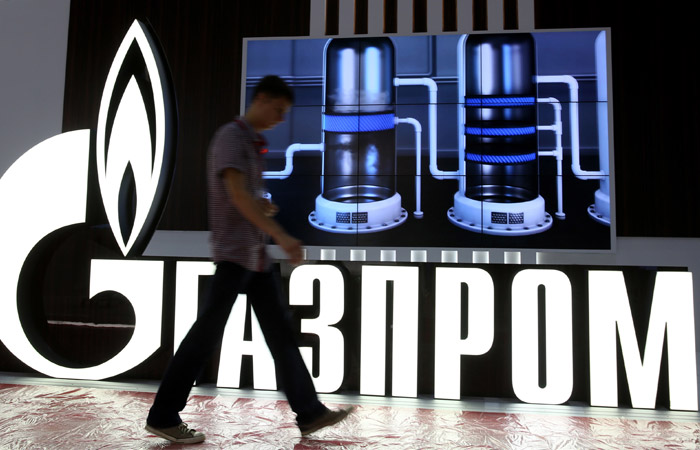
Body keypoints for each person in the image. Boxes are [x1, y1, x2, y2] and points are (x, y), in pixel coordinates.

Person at [145, 75, 354, 444]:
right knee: (206, 336)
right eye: (278, 109)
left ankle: (309, 412)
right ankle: (163, 414)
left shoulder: (250, 143)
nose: (280, 118)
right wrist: (281, 235)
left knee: (279, 336)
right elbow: (237, 197)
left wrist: (262, 207)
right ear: (261, 99)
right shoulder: (231, 137)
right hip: (235, 256)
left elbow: (244, 198)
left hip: (254, 259)